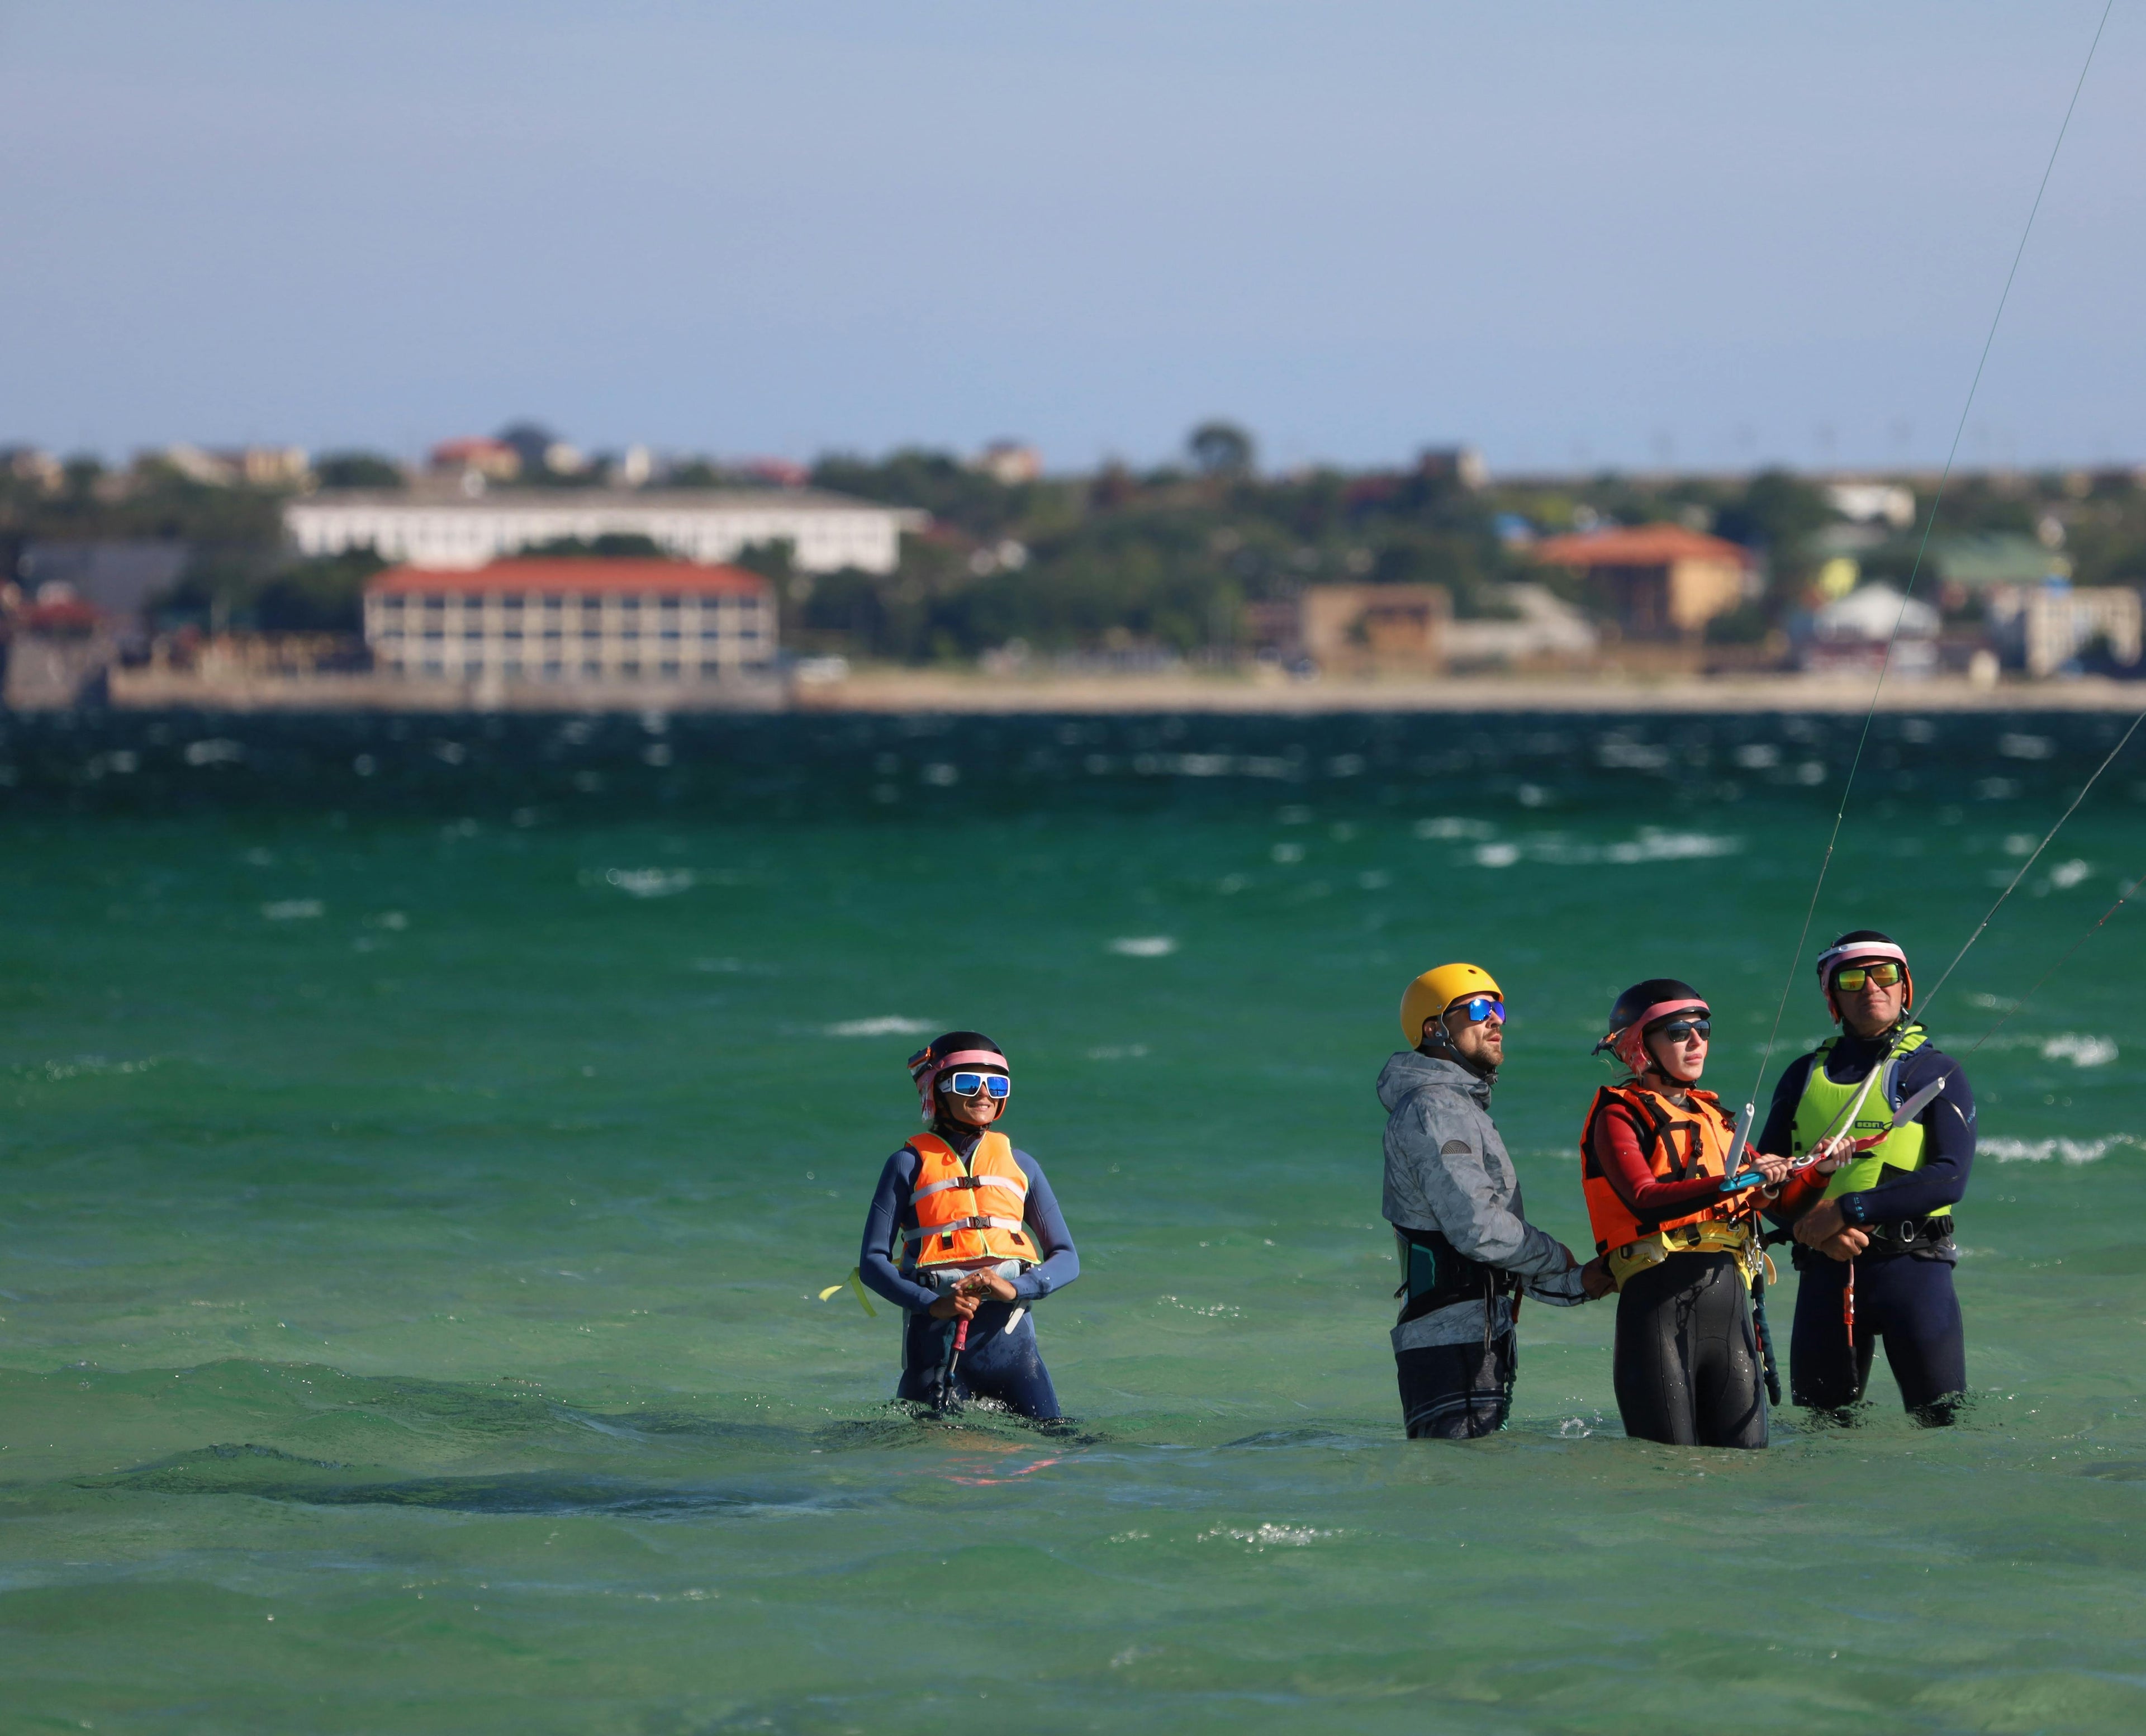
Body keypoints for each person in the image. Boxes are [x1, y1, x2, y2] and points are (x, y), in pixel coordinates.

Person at [1381, 962, 1611, 1440]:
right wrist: (1553, 1255)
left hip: (1472, 1336)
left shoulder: (1457, 1106)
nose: (1497, 1020)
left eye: (1500, 1008)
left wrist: (1578, 1283)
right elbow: (1477, 1228)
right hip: (1451, 1344)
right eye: (1479, 1009)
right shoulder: (1436, 1107)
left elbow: (1486, 1252)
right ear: (1434, 1028)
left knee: (1474, 1496)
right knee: (1459, 1495)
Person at [1760, 931, 1974, 1426]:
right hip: (1825, 1274)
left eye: (1886, 975)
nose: (1871, 987)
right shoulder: (1802, 1076)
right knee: (1821, 1433)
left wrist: (1845, 1210)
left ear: (1905, 988)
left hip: (1914, 1272)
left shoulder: (1933, 1071)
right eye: (1853, 978)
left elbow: (1950, 1178)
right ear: (1832, 996)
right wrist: (1807, 1231)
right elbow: (1764, 1183)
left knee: (1943, 1427)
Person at [1579, 979, 1798, 1449]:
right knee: (1669, 1475)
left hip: (1732, 1313)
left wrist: (1802, 1173)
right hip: (1657, 1310)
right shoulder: (1618, 1115)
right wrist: (1738, 1181)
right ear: (1640, 1046)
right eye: (1679, 1032)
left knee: (1745, 1472)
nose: (1697, 1041)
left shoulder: (1717, 1118)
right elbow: (1643, 1195)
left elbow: (1766, 1203)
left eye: (1703, 1029)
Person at [856, 1031, 1079, 1418]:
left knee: (1061, 1449)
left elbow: (1067, 1258)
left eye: (996, 1084)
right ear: (936, 1091)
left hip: (1017, 1364)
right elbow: (873, 1264)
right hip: (933, 1362)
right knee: (929, 1467)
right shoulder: (906, 1165)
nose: (984, 1094)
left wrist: (1014, 1287)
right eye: (967, 1082)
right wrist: (934, 1303)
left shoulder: (1022, 1166)